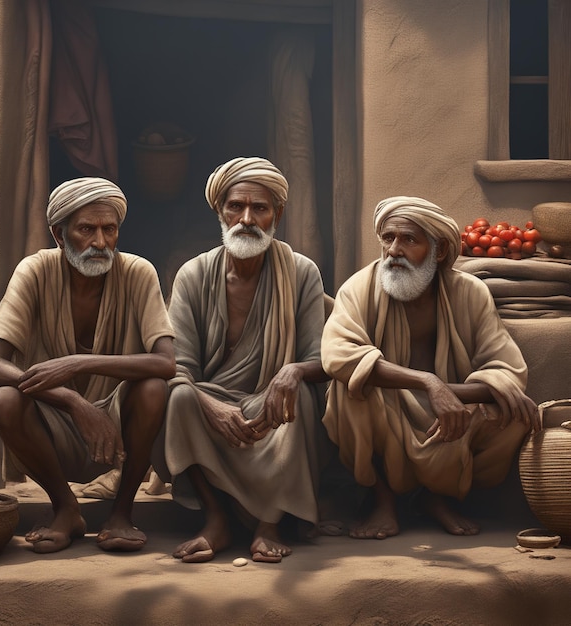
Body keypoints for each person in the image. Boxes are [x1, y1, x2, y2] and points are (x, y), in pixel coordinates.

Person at [321, 196, 540, 539]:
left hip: (451, 412)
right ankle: (384, 502)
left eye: (408, 240)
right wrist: (428, 383)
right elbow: (338, 354)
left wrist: (449, 393)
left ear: (438, 251)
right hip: (387, 407)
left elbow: (507, 369)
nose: (393, 250)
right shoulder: (359, 288)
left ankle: (434, 499)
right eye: (388, 238)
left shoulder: (471, 293)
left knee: (513, 410)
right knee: (346, 391)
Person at [0, 177, 175, 554]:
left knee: (154, 390)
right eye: (87, 229)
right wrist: (71, 400)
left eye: (109, 229)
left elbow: (166, 363)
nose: (100, 242)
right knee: (3, 400)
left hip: (117, 427)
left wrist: (78, 363)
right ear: (58, 233)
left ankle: (122, 513)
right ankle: (65, 509)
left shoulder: (138, 272)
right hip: (51, 421)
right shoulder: (34, 271)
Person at [159, 156, 329, 563]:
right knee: (178, 397)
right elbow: (176, 368)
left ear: (278, 215)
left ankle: (268, 524)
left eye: (260, 208)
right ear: (220, 210)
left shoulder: (302, 272)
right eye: (236, 206)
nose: (247, 218)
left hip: (271, 407)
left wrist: (293, 370)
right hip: (212, 407)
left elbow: (322, 358)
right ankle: (215, 518)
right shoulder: (193, 275)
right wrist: (210, 405)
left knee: (300, 395)